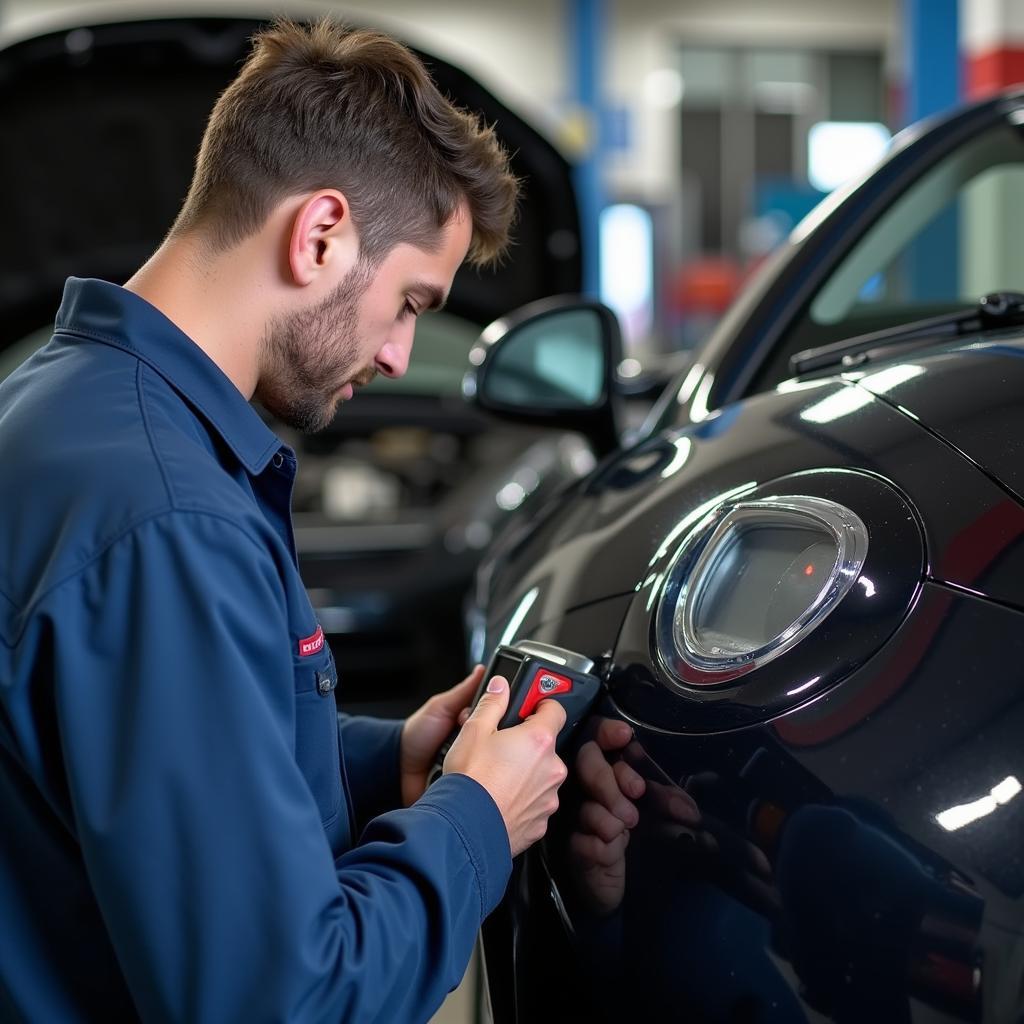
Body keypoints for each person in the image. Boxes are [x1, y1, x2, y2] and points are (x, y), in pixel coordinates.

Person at [0, 18, 568, 1023]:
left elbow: (127, 763)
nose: (400, 355)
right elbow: (282, 1000)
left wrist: (382, 763)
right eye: (409, 304)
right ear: (319, 236)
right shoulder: (168, 519)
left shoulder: (66, 411)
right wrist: (476, 817)